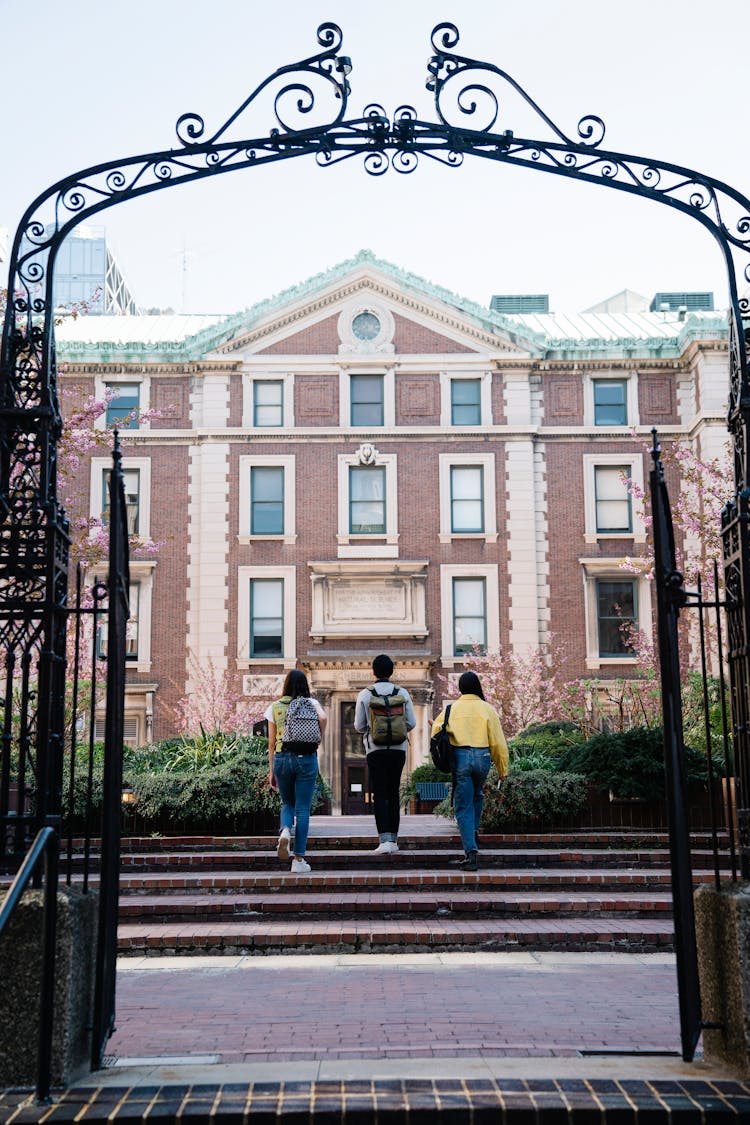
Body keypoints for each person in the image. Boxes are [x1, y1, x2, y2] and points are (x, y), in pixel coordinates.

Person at [430, 671, 508, 871]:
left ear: (460, 688)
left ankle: (471, 854)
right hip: (483, 758)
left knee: (462, 805)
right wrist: (502, 769)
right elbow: (498, 742)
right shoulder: (487, 709)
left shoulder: (451, 709)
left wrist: (434, 727)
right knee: (477, 795)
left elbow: (436, 732)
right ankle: (472, 832)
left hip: (461, 758)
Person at [265, 669, 327, 874]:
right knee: (302, 809)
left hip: (282, 758)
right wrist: (319, 737)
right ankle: (298, 859)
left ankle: (284, 831)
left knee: (287, 802)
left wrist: (271, 770)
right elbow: (323, 718)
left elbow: (271, 743)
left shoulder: (275, 707)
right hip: (306, 759)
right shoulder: (311, 704)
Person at [355, 653, 416, 854]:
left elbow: (359, 726)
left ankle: (385, 840)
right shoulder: (403, 693)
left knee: (380, 793)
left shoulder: (365, 694)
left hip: (375, 750)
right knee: (393, 790)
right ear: (391, 671)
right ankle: (395, 839)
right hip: (398, 749)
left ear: (374, 671)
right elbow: (411, 723)